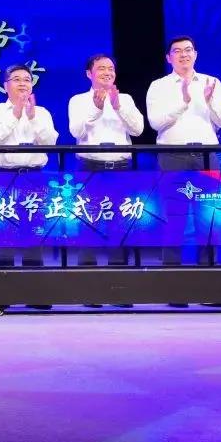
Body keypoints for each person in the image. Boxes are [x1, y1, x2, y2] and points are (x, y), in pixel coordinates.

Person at [146, 35, 221, 276]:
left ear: (195, 54)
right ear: (169, 58)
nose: (183, 54)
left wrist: (210, 101)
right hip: (172, 156)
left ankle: (209, 275)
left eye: (188, 50)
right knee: (173, 217)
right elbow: (155, 122)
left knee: (208, 216)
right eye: (177, 51)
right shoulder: (159, 86)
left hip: (206, 156)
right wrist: (183, 102)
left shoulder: (211, 82)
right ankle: (172, 276)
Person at [67, 54, 143, 302]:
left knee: (120, 225)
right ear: (89, 74)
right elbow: (76, 131)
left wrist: (118, 106)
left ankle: (119, 289)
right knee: (88, 223)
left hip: (121, 167)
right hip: (89, 167)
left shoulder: (125, 99)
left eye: (111, 68)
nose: (107, 72)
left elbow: (138, 130)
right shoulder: (78, 100)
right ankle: (89, 290)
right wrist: (96, 108)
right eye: (101, 68)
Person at [0, 65, 58, 276]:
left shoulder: (41, 112)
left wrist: (32, 118)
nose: (23, 83)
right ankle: (3, 282)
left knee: (34, 229)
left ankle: (33, 282)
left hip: (34, 176)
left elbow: (51, 143)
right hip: (3, 176)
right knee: (3, 229)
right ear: (5, 86)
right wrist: (16, 113)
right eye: (16, 79)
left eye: (27, 79)